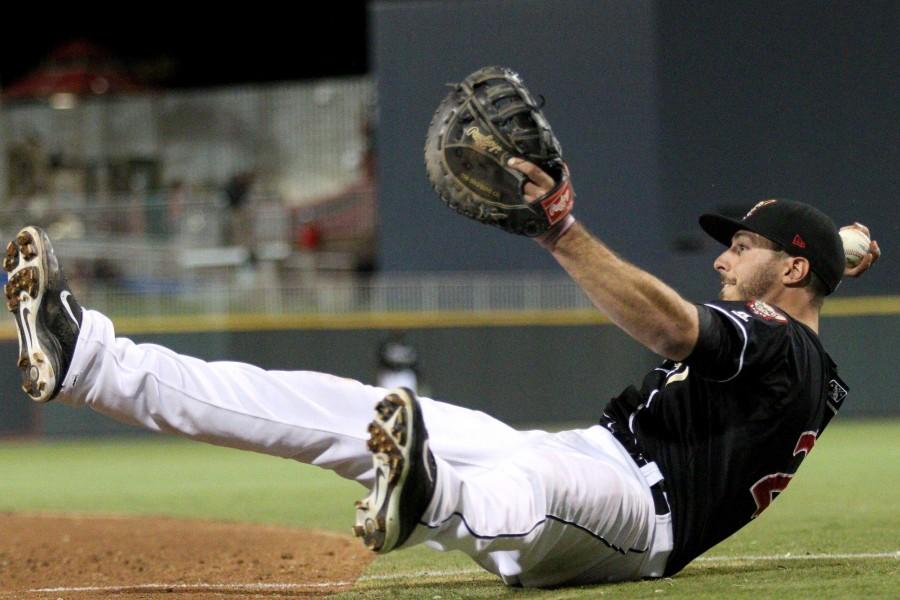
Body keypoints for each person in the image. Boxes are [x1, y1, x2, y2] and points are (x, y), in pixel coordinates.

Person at [3, 160, 880, 588]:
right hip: (597, 458)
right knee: (347, 405)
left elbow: (671, 326)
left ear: (792, 272)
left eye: (746, 244)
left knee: (527, 483)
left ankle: (426, 498)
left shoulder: (777, 342)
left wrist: (558, 230)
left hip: (643, 519)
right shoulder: (795, 341)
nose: (724, 255)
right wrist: (834, 250)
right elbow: (781, 294)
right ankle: (90, 362)